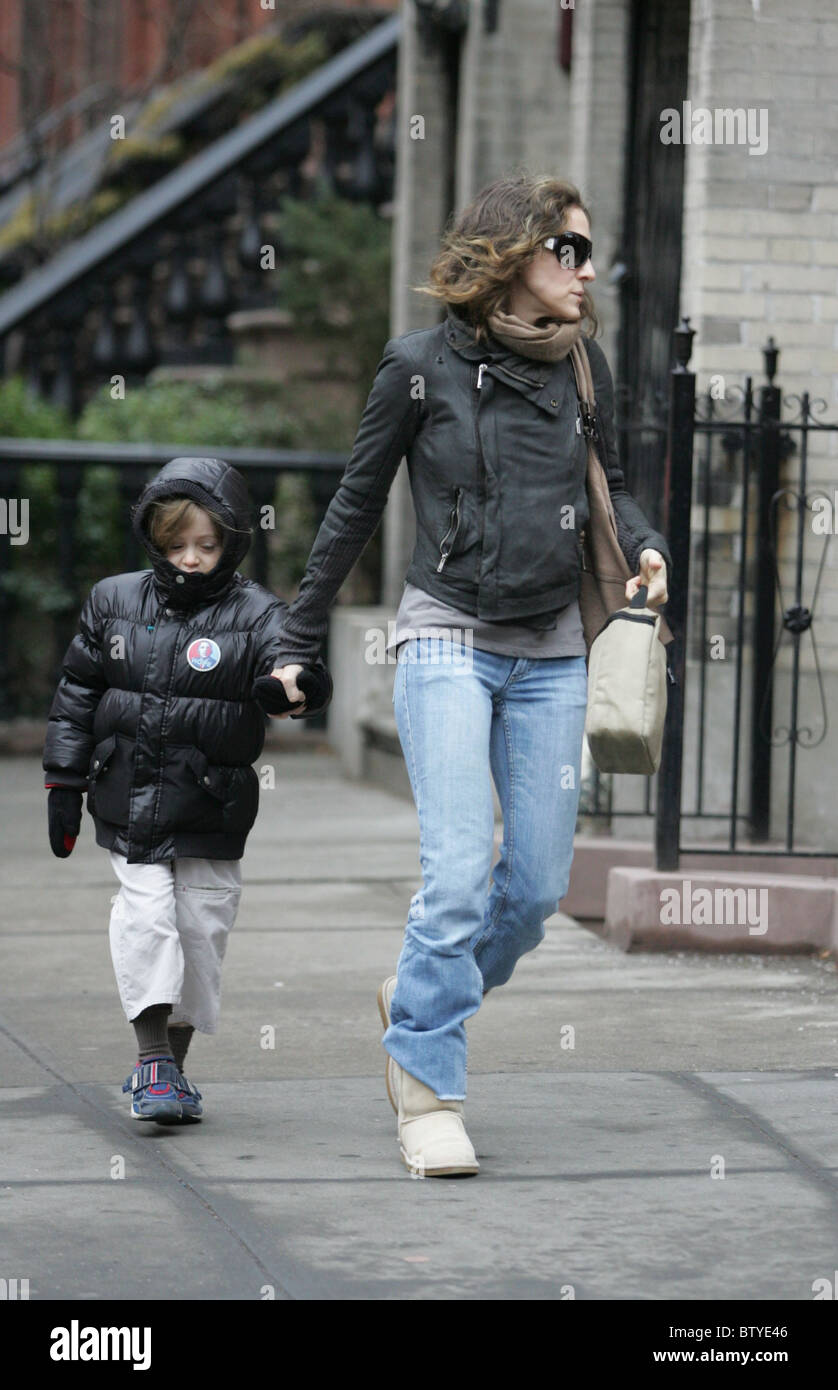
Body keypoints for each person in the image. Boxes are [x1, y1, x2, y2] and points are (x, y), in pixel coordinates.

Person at [266, 172, 672, 1177]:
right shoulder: (416, 367)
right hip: (446, 636)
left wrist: (649, 544)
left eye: (587, 252)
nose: (585, 271)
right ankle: (427, 1089)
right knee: (455, 876)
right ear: (511, 256)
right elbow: (355, 507)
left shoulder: (584, 368)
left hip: (549, 648)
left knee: (533, 889)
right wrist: (295, 637)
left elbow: (613, 483)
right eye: (566, 250)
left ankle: (414, 996)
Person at [42, 457, 332, 1125]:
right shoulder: (112, 600)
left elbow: (294, 662)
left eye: (207, 544)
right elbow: (77, 694)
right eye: (176, 545)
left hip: (211, 803)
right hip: (128, 795)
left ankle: (169, 1069)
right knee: (147, 919)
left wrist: (295, 687)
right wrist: (64, 779)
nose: (192, 558)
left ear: (231, 540)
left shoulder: (256, 611)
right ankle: (152, 1061)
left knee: (201, 929)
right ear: (154, 538)